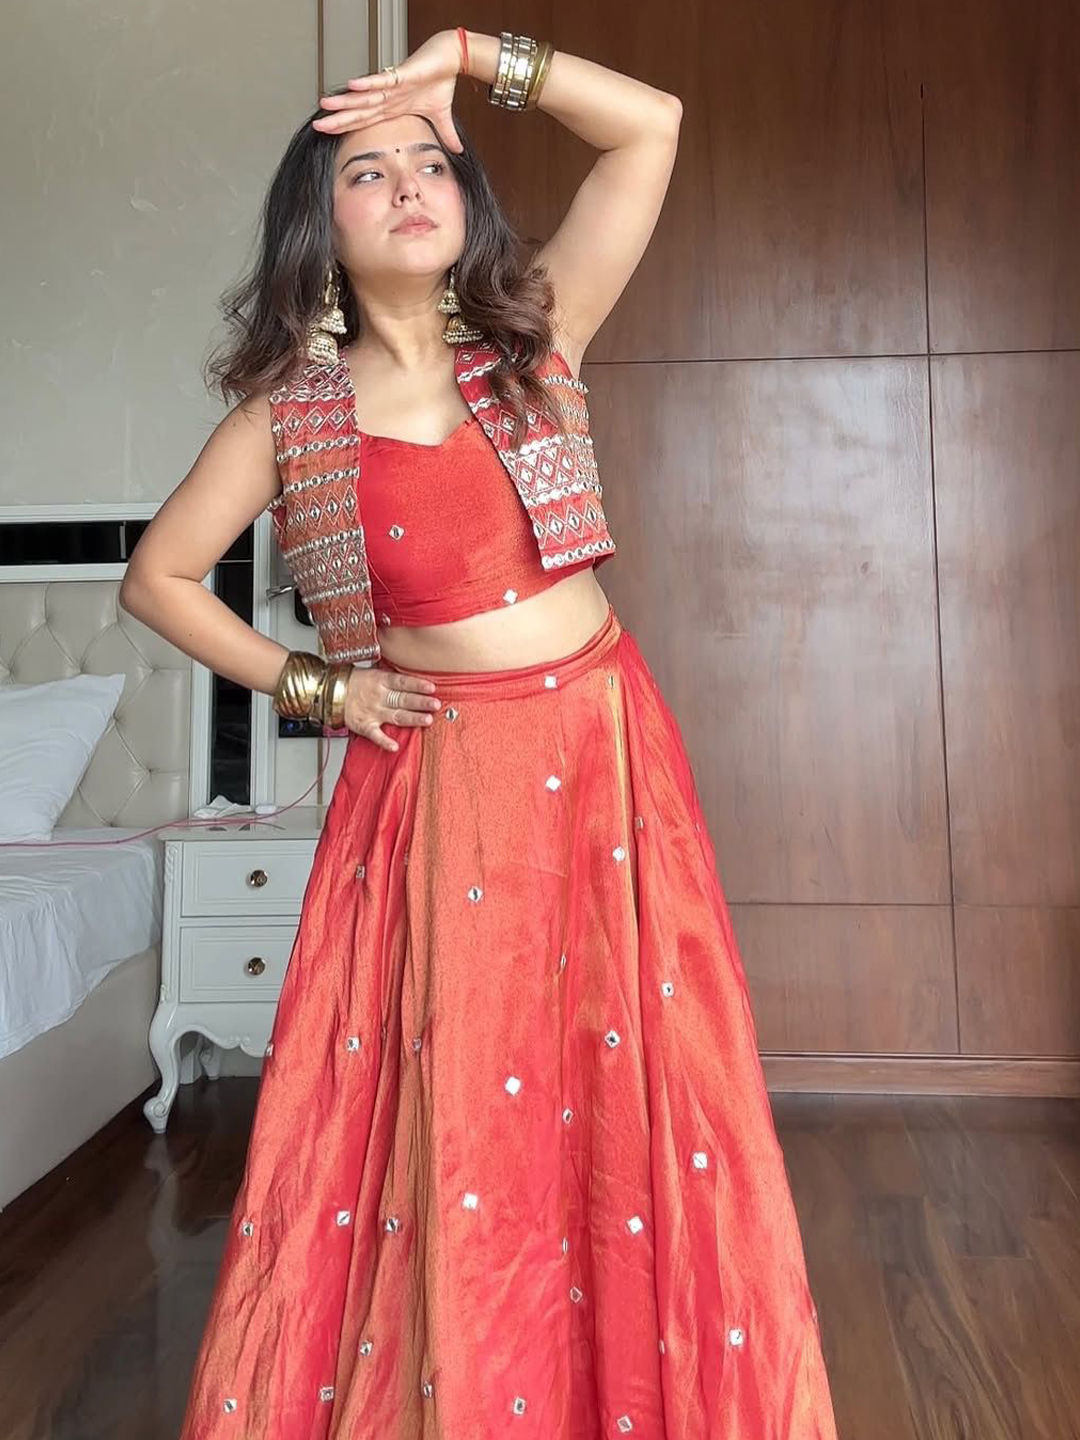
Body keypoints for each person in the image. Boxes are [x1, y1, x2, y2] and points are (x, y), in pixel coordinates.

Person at [121, 26, 839, 1440]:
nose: (408, 184)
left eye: (430, 162)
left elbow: (649, 127)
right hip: (443, 784)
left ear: (466, 196)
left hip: (602, 755)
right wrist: (321, 690)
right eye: (367, 172)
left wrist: (466, 56)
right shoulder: (293, 418)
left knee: (628, 1088)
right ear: (318, 230)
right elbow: (157, 580)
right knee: (464, 1105)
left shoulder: (534, 338)